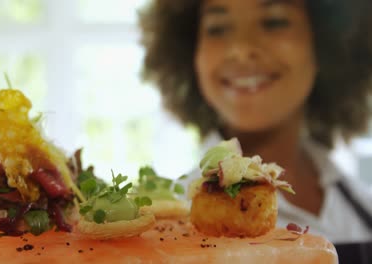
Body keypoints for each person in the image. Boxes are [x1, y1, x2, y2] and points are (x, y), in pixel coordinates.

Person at [139, 0, 372, 262]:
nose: (240, 49)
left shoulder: (363, 203)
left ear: (327, 44)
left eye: (273, 22)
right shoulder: (168, 218)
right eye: (217, 28)